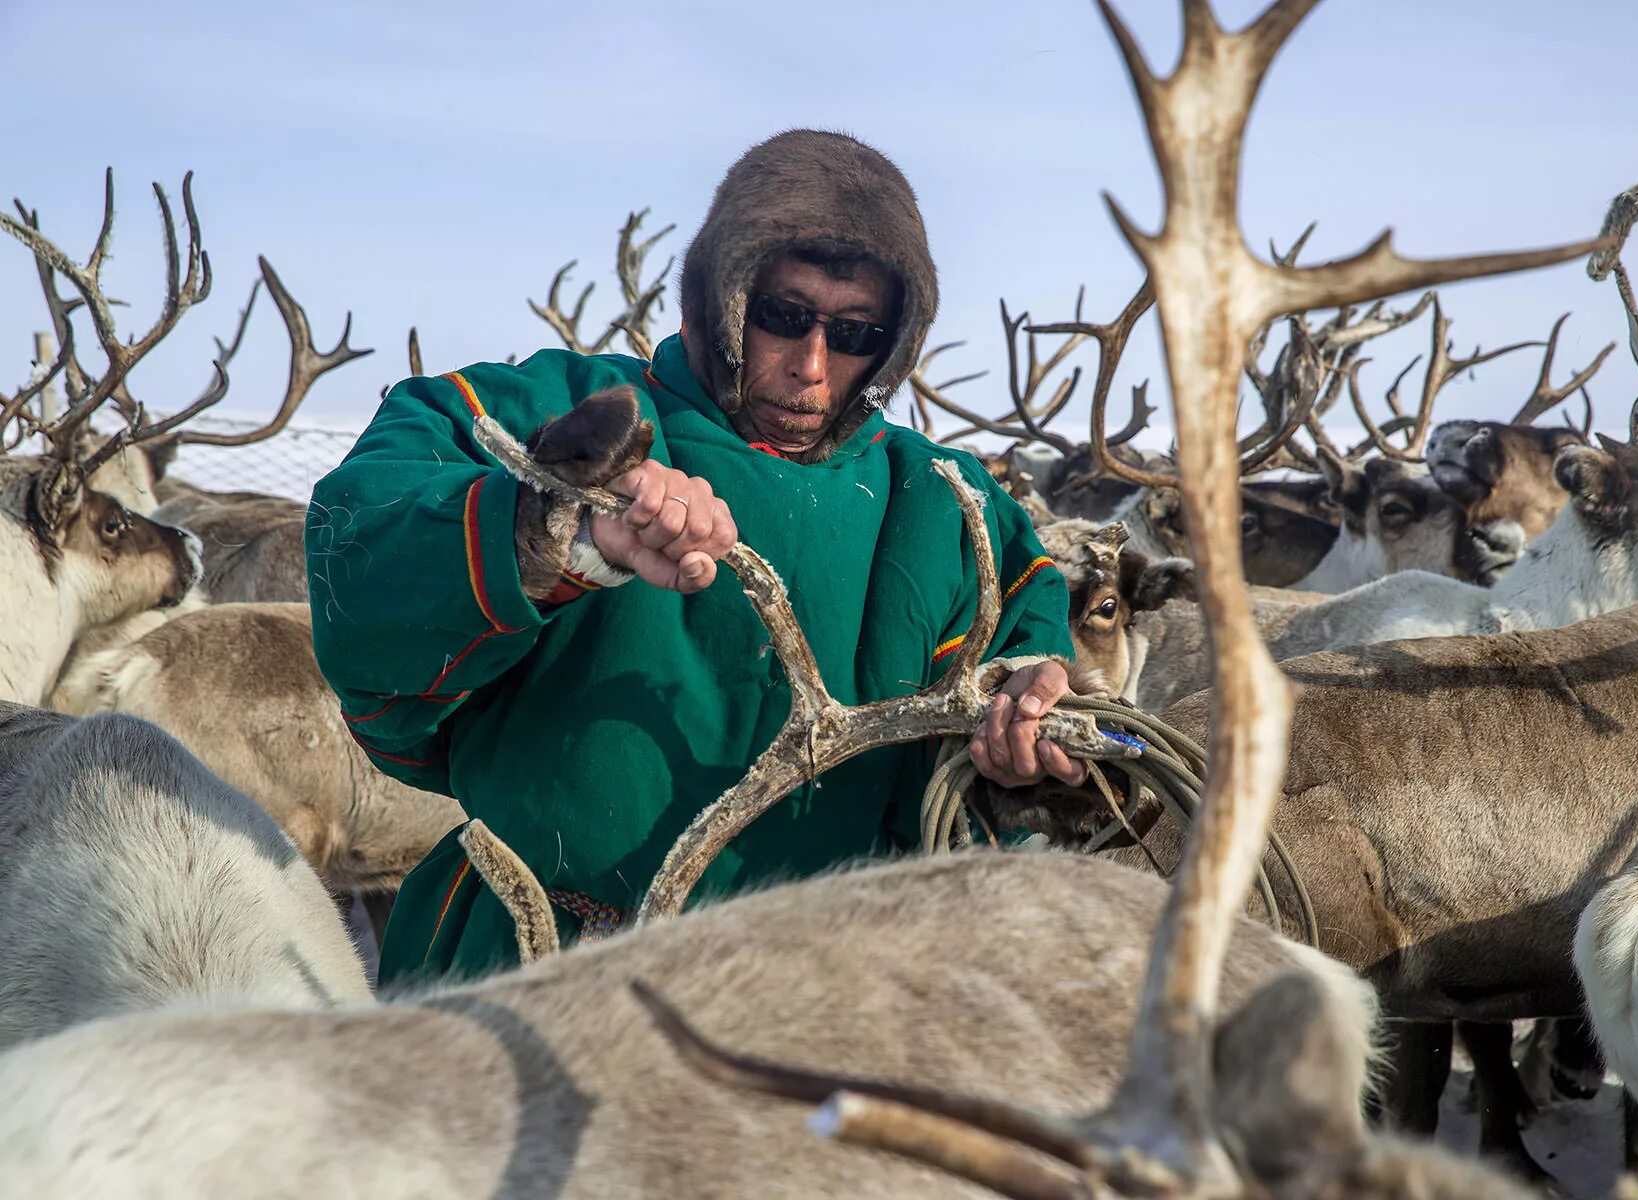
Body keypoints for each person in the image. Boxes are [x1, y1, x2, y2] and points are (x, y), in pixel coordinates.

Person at [307, 129, 1085, 986]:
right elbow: (362, 542)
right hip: (529, 964)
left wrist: (1027, 750)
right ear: (720, 296)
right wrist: (551, 526)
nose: (814, 366)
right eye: (784, 317)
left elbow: (1022, 671)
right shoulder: (569, 410)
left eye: (857, 332)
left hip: (828, 996)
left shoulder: (944, 506)